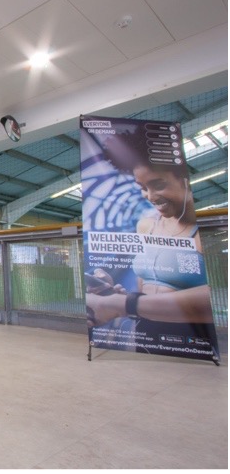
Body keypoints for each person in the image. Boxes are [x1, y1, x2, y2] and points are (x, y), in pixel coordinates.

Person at [85, 130, 217, 357]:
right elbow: (144, 284)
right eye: (143, 187)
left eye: (158, 184)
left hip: (189, 335)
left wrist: (122, 304)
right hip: (145, 332)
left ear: (184, 181)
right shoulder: (146, 226)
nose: (150, 195)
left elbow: (212, 295)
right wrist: (118, 295)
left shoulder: (200, 234)